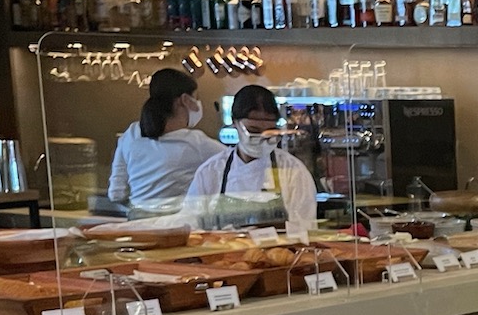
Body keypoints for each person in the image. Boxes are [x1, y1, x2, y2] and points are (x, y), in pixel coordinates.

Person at [182, 84, 319, 234]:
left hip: (279, 255)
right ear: (235, 123)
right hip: (225, 256)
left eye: (269, 133)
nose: (261, 138)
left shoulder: (293, 171)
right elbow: (192, 227)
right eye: (253, 131)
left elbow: (306, 230)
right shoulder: (210, 172)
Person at [105, 68, 224, 215]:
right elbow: (239, 163)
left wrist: (143, 208)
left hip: (137, 228)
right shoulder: (197, 144)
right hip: (177, 227)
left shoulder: (130, 134)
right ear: (185, 100)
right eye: (196, 98)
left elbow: (116, 194)